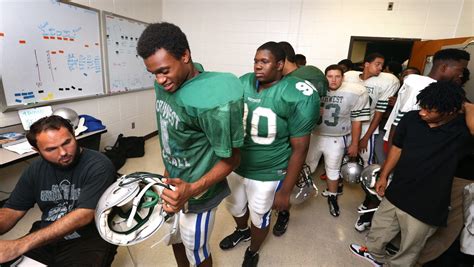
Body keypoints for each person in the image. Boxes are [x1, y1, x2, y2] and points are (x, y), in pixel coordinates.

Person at [137, 22, 244, 267]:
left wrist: (192, 189)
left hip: (200, 192)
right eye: (153, 73)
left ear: (185, 55)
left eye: (164, 70)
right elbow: (174, 136)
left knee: (196, 250)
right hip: (172, 183)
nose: (160, 80)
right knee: (174, 239)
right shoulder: (164, 83)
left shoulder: (212, 99)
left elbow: (233, 158)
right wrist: (166, 175)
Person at [350, 81, 472, 267]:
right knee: (381, 226)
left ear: (450, 111)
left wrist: (468, 106)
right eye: (422, 106)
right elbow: (397, 148)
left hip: (428, 200)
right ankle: (375, 254)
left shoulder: (461, 131)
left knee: (411, 244)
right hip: (399, 187)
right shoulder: (411, 118)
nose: (423, 112)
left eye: (430, 110)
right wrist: (384, 175)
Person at [219, 41, 319, 266]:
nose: (257, 66)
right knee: (234, 206)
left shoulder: (296, 92)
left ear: (280, 65)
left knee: (260, 214)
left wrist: (285, 190)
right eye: (255, 61)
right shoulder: (243, 82)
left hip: (268, 169)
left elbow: (300, 148)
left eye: (264, 61)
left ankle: (253, 250)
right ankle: (242, 231)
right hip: (236, 163)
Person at [0, 115, 117, 266]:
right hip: (47, 234)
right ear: (36, 150)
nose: (63, 153)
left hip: (88, 237)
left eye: (67, 142)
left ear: (74, 136)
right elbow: (12, 210)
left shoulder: (99, 165)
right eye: (51, 149)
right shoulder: (35, 170)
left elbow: (84, 215)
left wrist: (20, 245)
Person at [270, 41, 326, 236]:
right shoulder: (310, 73)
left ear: (281, 60)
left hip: (292, 135)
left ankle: (283, 211)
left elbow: (315, 111)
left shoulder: (299, 78)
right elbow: (319, 111)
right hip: (285, 134)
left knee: (287, 173)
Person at [305, 64, 370, 217]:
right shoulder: (315, 89)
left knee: (333, 170)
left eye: (337, 76)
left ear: (343, 77)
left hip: (336, 138)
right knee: (306, 167)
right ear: (324, 77)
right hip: (315, 135)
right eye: (330, 76)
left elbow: (356, 120)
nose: (333, 80)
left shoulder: (355, 92)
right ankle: (303, 190)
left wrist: (354, 143)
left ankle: (332, 196)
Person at [384, 49, 470, 146]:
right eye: (460, 70)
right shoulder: (419, 86)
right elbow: (399, 121)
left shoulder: (424, 83)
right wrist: (393, 152)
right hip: (402, 145)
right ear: (444, 67)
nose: (461, 75)